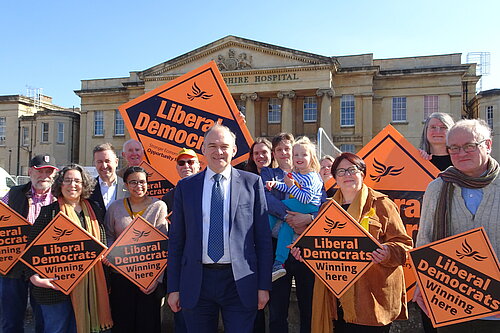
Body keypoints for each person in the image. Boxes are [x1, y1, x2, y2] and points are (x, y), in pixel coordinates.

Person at [167, 124, 273, 333]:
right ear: (203, 149)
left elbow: (262, 239)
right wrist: (173, 287)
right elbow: (177, 241)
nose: (218, 152)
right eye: (212, 146)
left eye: (224, 146)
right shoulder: (186, 187)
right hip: (197, 281)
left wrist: (264, 286)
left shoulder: (252, 183)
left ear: (234, 150)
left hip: (240, 282)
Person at [294, 152, 412, 332]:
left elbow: (404, 245)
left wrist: (387, 252)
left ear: (362, 173)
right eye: (340, 172)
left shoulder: (381, 204)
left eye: (352, 170)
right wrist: (305, 255)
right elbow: (321, 250)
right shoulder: (327, 209)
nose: (347, 175)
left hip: (372, 301)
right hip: (336, 302)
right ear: (334, 178)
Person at [414, 119, 500, 332]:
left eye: (470, 146)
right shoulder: (437, 187)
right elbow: (425, 238)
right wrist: (421, 282)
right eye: (453, 148)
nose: (461, 153)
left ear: (487, 145)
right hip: (451, 301)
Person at [27, 164, 112, 333]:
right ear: (60, 184)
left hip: (90, 286)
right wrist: (34, 278)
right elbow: (30, 250)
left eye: (77, 181)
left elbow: (101, 243)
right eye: (68, 180)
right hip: (55, 288)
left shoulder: (95, 209)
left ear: (84, 185)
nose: (72, 185)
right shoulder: (48, 212)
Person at [261, 133, 319, 333]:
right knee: (277, 310)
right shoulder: (269, 174)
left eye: (288, 149)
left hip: (304, 251)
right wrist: (291, 218)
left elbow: (322, 205)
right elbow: (266, 201)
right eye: (279, 150)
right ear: (274, 154)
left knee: (308, 307)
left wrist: (308, 219)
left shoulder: (311, 176)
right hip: (278, 248)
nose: (285, 153)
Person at [105, 166, 168, 333]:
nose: (138, 186)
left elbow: (163, 245)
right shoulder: (115, 207)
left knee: (147, 323)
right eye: (133, 182)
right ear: (125, 184)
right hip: (121, 277)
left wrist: (156, 280)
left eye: (142, 182)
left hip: (148, 279)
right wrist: (113, 257)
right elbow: (109, 236)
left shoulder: (158, 206)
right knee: (122, 322)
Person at [0, 154, 57, 333]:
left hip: (44, 265)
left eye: (49, 172)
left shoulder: (59, 197)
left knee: (44, 319)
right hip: (13, 264)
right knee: (10, 319)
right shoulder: (15, 193)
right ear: (30, 171)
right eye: (40, 171)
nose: (44, 176)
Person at [266, 137, 323, 282]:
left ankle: (262, 237)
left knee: (275, 212)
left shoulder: (312, 177)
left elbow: (305, 198)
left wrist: (291, 186)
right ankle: (279, 263)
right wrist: (276, 184)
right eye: (296, 154)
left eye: (303, 154)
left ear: (311, 158)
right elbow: (287, 186)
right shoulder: (298, 174)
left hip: (308, 206)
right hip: (299, 204)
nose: (299, 158)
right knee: (286, 226)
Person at [161, 148, 201, 333]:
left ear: (199, 165)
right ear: (176, 167)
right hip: (181, 266)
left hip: (207, 266)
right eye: (181, 163)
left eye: (190, 162)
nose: (186, 166)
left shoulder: (209, 191)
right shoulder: (167, 198)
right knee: (182, 321)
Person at [89, 143, 127, 222]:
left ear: (116, 162)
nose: (104, 165)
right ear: (94, 164)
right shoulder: (88, 188)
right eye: (99, 162)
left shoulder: (127, 187)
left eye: (107, 161)